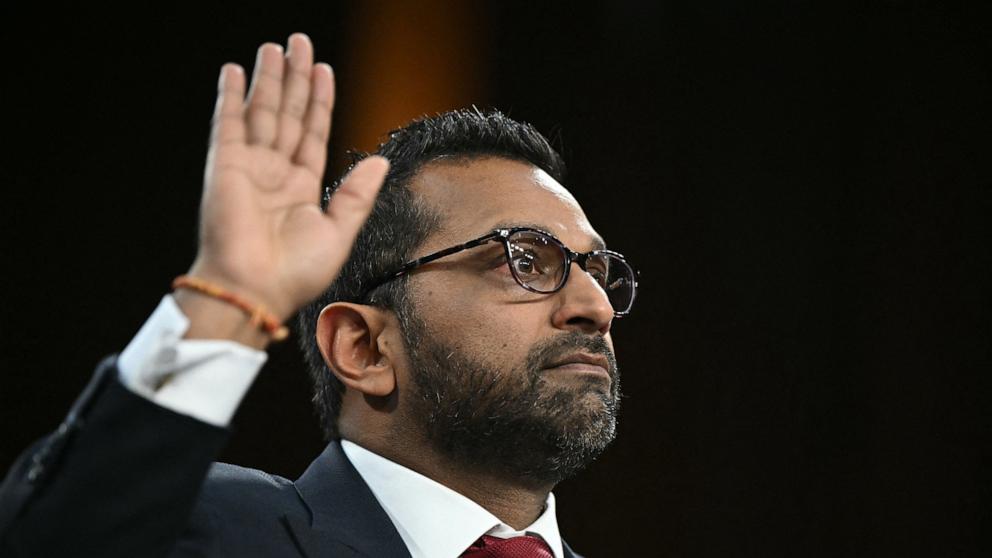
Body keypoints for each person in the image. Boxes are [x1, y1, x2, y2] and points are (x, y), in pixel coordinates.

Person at [0, 32, 637, 558]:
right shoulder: (204, 533)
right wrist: (226, 298)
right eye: (526, 259)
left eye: (598, 272)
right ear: (364, 347)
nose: (596, 308)